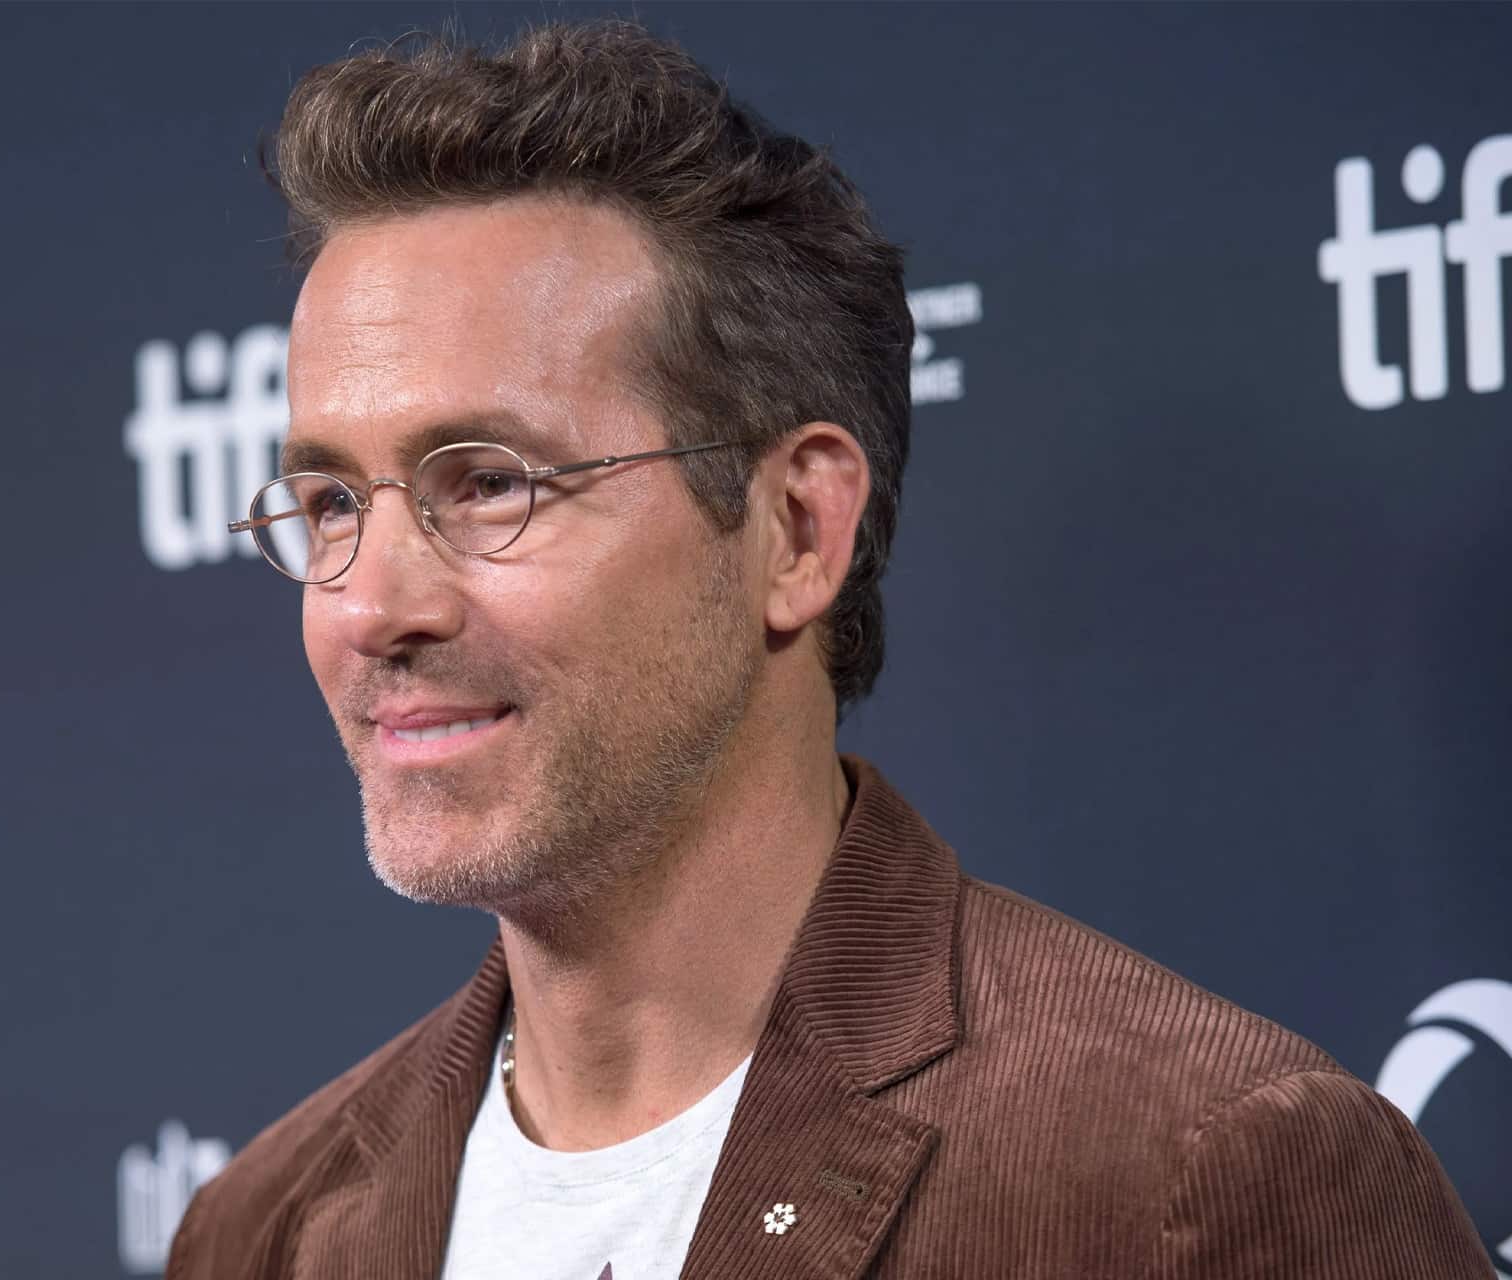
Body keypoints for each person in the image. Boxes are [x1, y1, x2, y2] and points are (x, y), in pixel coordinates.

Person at [168, 19, 1491, 1280]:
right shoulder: (262, 1228)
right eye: (333, 501)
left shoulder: (1192, 1178)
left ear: (797, 528)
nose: (370, 607)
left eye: (491, 482)